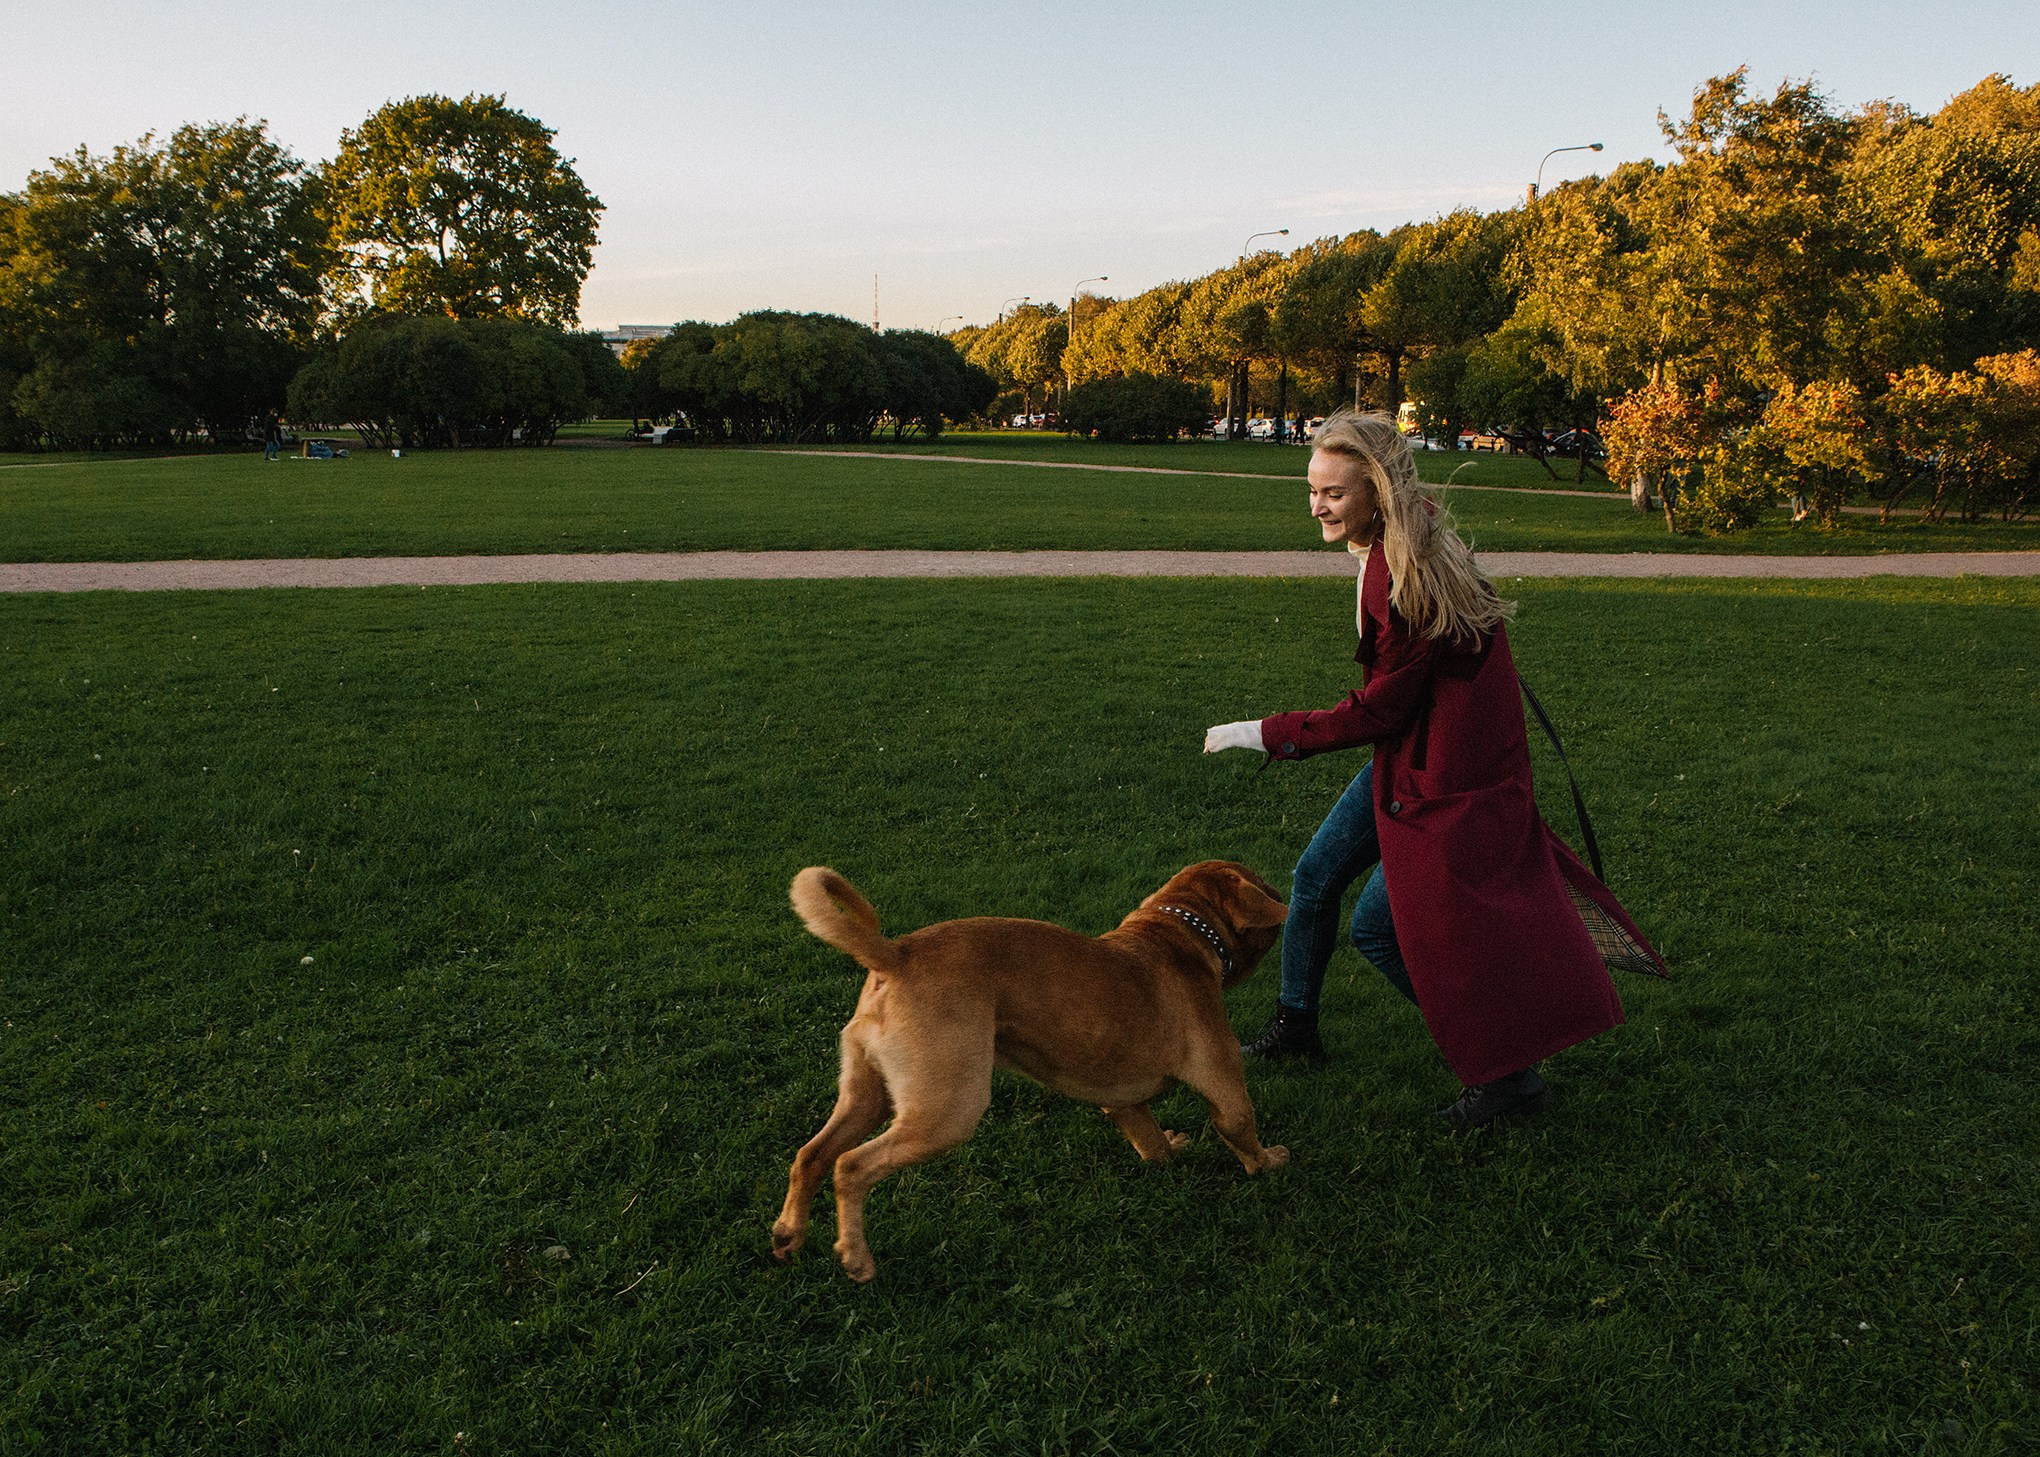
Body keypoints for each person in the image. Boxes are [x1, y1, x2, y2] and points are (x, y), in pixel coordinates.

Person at [1203, 409, 1659, 1128]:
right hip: (1419, 752)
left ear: (1376, 495)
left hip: (1445, 779)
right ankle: (1298, 1025)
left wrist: (1261, 733)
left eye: (1334, 493)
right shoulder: (1408, 539)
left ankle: (1509, 1076)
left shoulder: (1401, 574)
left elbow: (1379, 710)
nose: (1317, 505)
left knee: (1381, 928)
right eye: (1313, 489)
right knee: (1318, 873)